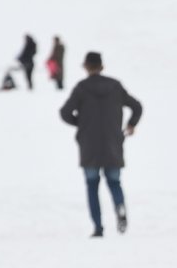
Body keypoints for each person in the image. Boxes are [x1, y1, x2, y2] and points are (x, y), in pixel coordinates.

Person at [60, 51, 143, 237]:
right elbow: (137, 106)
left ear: (86, 67)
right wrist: (131, 124)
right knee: (114, 182)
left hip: (89, 145)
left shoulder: (81, 88)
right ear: (102, 66)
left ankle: (98, 227)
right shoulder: (115, 86)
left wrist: (81, 123)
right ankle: (120, 208)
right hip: (113, 143)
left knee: (92, 185)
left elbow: (65, 112)